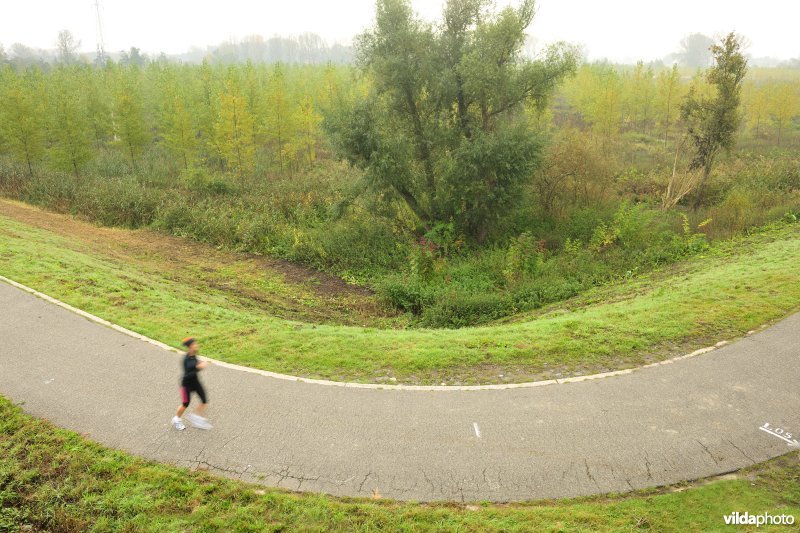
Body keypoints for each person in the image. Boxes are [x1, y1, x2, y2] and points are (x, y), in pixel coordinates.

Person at [171, 337, 212, 430]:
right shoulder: (186, 360)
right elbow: (188, 374)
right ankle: (176, 419)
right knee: (185, 404)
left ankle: (197, 419)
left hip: (195, 382)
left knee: (204, 401)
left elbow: (195, 362)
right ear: (190, 347)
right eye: (195, 344)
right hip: (186, 385)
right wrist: (199, 367)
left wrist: (199, 363)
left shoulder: (193, 354)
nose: (197, 345)